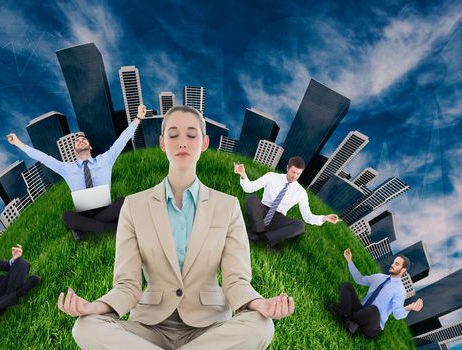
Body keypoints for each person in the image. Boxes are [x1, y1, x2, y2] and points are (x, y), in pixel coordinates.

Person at [56, 106, 293, 350]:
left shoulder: (228, 206)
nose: (182, 143)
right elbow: (127, 285)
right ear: (162, 143)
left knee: (261, 326)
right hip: (150, 327)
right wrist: (93, 307)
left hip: (209, 328)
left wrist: (259, 304)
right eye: (173, 135)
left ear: (204, 143)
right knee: (85, 327)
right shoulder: (134, 206)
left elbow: (236, 281)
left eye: (191, 135)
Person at [7, 104, 148, 240]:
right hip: (84, 214)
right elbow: (43, 158)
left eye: (83, 139)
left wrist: (138, 118)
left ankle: (82, 229)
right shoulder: (67, 169)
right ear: (74, 149)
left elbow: (122, 140)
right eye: (77, 141)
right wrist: (18, 143)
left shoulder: (105, 159)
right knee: (67, 216)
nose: (80, 141)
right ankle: (112, 227)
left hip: (106, 208)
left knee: (122, 201)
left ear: (90, 146)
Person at [233, 157, 339, 247]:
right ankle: (259, 231)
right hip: (262, 210)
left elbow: (307, 216)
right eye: (293, 172)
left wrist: (324, 218)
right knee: (251, 198)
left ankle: (263, 237)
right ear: (287, 168)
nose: (295, 176)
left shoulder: (301, 192)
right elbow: (249, 188)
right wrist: (243, 175)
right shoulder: (272, 176)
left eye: (298, 174)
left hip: (278, 218)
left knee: (300, 226)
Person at [329, 248, 424, 337]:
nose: (392, 265)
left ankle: (344, 313)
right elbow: (359, 279)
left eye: (397, 264)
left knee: (374, 310)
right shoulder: (379, 277)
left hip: (373, 324)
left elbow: (397, 314)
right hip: (361, 311)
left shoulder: (400, 290)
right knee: (346, 286)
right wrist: (349, 261)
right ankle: (348, 320)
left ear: (403, 270)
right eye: (394, 262)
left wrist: (408, 308)